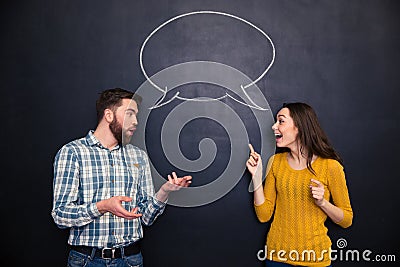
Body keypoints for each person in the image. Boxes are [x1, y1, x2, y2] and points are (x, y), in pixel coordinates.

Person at [51, 88, 192, 267]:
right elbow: (60, 216)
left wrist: (164, 192)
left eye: (136, 116)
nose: (135, 122)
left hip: (129, 260)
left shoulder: (138, 156)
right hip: (87, 261)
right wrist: (102, 207)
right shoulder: (72, 153)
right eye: (130, 114)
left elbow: (146, 218)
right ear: (108, 115)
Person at [246, 102, 353, 267]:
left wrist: (322, 203)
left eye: (281, 121)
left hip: (315, 259)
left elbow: (346, 220)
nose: (274, 126)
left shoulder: (330, 167)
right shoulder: (275, 162)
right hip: (277, 258)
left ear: (300, 127)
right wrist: (256, 176)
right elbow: (264, 215)